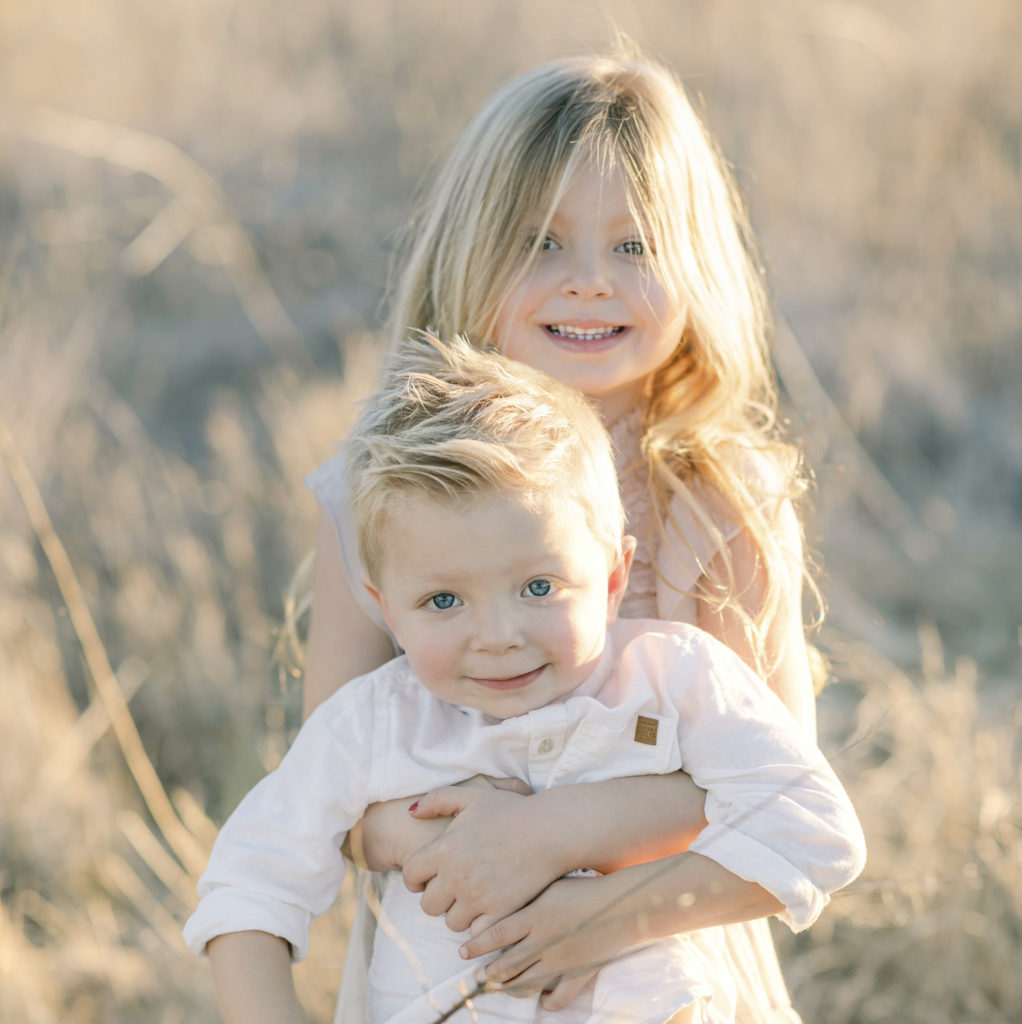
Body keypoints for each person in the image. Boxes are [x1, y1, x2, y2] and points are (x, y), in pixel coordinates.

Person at [302, 50, 824, 1022]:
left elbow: (788, 786)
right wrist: (479, 855)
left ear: (695, 265)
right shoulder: (374, 491)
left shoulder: (720, 500)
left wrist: (563, 847)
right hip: (455, 964)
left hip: (671, 963)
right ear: (469, 251)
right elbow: (333, 795)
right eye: (539, 242)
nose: (588, 283)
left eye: (634, 247)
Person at [185, 335, 865, 1024]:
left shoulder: (673, 679)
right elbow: (250, 880)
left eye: (538, 586)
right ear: (385, 608)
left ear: (611, 578)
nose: (498, 636)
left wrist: (614, 913)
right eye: (443, 601)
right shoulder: (377, 724)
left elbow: (815, 829)